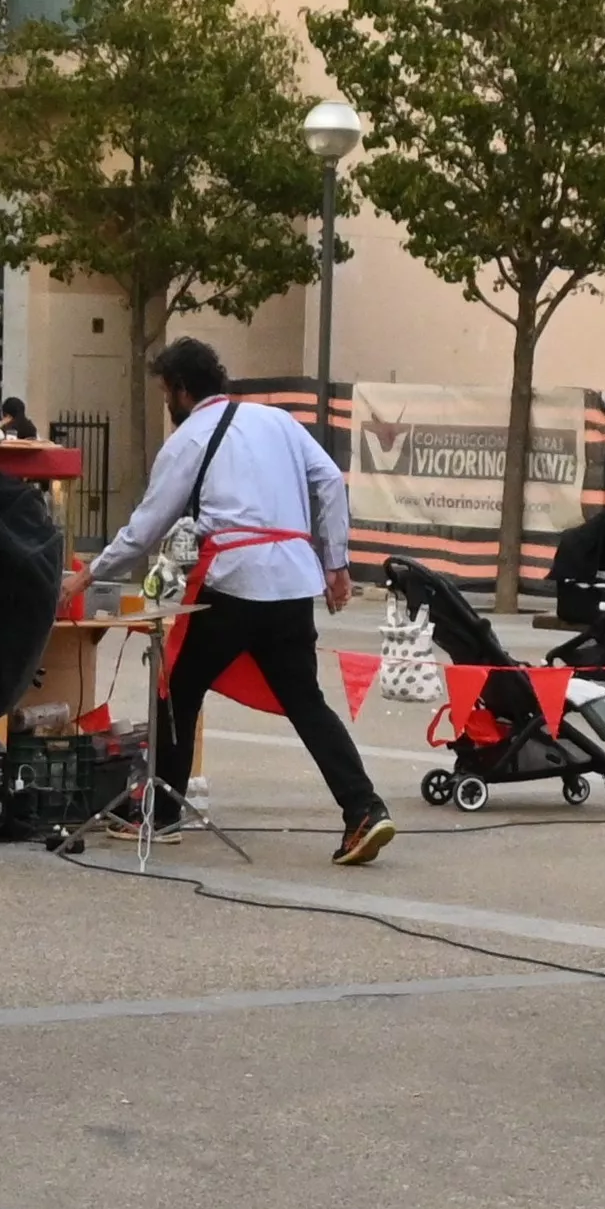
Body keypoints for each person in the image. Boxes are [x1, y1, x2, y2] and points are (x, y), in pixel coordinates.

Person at [83, 336, 392, 866]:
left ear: (180, 390)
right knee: (305, 702)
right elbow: (329, 481)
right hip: (294, 581)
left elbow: (144, 529)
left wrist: (88, 575)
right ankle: (363, 808)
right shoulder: (278, 422)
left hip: (234, 580)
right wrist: (335, 563)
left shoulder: (187, 441)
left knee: (176, 686)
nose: (166, 405)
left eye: (164, 393)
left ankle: (162, 815)